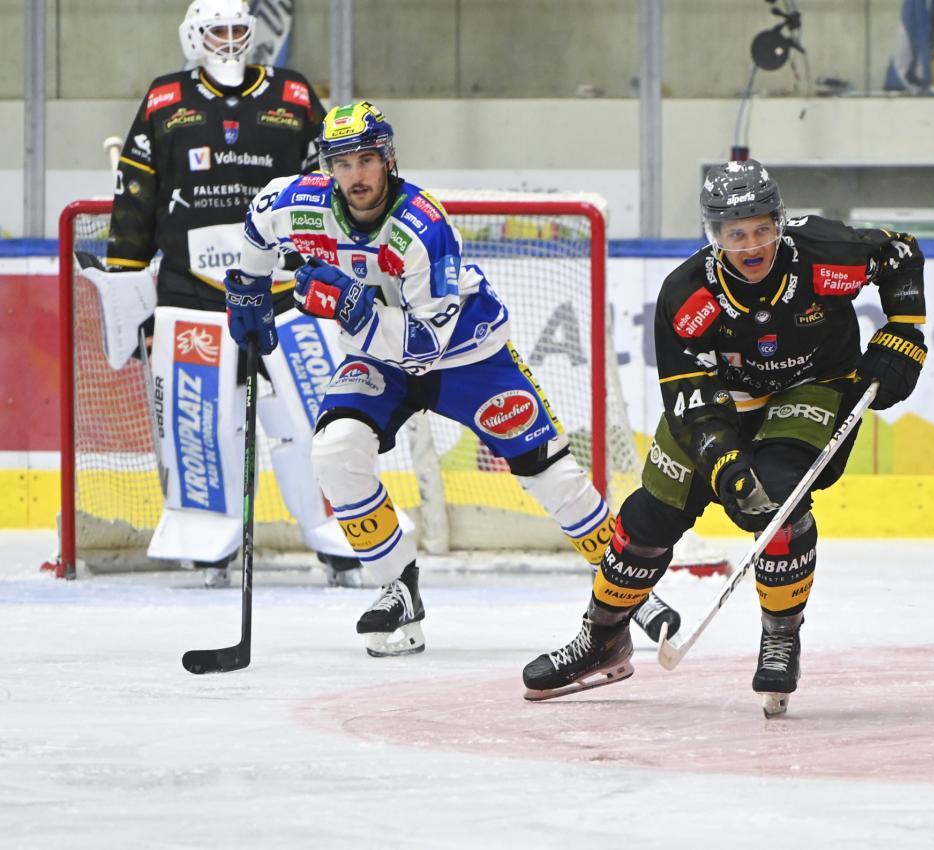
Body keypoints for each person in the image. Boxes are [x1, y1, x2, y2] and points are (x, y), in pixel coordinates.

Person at [223, 101, 681, 656]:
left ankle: (631, 586)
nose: (355, 176)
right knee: (335, 452)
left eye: (366, 159)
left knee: (551, 474)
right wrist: (247, 286)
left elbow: (423, 346)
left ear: (388, 160)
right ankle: (398, 587)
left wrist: (351, 307)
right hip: (378, 361)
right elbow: (258, 219)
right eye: (341, 164)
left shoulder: (423, 226)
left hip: (467, 355)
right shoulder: (298, 202)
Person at [522, 159, 927, 713]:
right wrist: (727, 467)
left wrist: (904, 330)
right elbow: (692, 404)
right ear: (714, 235)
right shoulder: (685, 295)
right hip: (722, 406)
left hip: (810, 388)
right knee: (646, 519)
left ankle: (781, 637)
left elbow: (900, 252)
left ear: (780, 222)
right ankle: (603, 637)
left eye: (762, 227)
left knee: (778, 502)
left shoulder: (824, 254)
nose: (752, 244)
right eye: (736, 233)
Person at [102, 0, 352, 588]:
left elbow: (328, 189)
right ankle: (207, 537)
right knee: (198, 418)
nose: (232, 39)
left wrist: (340, 269)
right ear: (194, 35)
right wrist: (127, 281)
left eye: (241, 28)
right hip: (192, 290)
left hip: (287, 291)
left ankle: (342, 532)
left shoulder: (293, 96)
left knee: (317, 413)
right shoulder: (164, 100)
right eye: (219, 29)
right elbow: (135, 195)